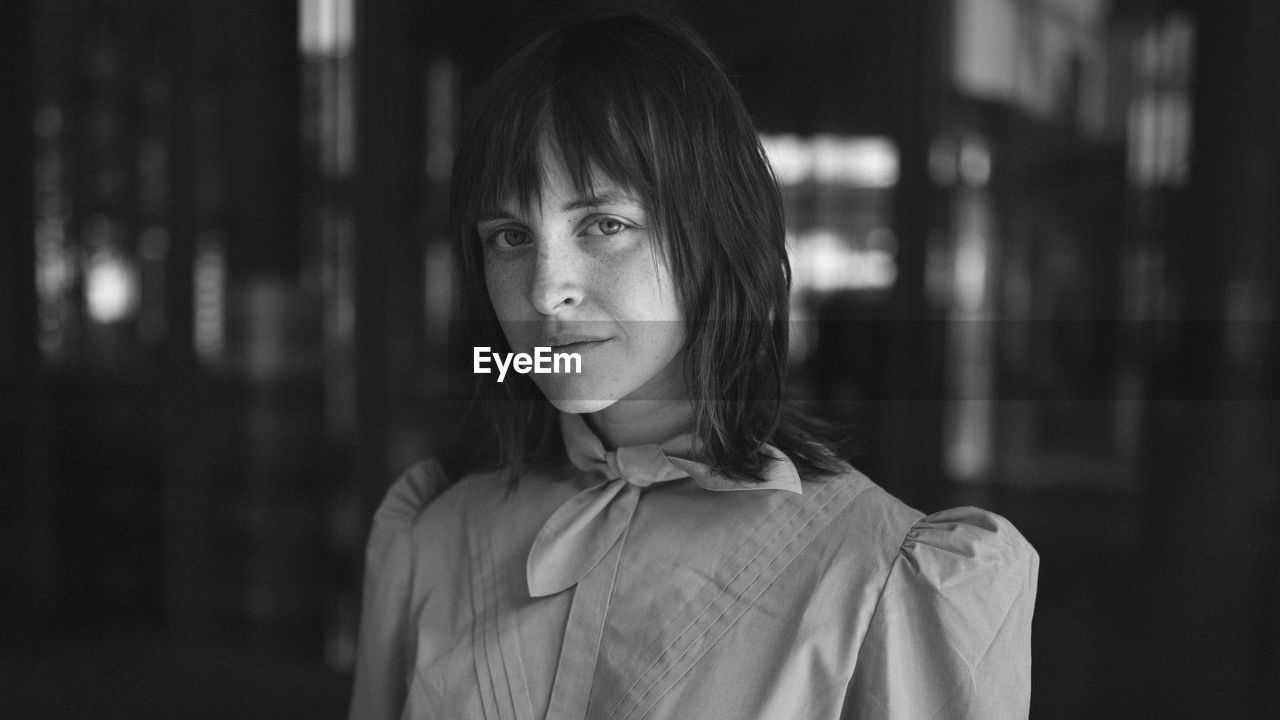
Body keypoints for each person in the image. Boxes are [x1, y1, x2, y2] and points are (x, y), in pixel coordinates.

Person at [349, 9, 1038, 720]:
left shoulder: (881, 579)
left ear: (713, 233)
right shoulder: (432, 541)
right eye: (510, 236)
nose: (545, 287)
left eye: (604, 225)